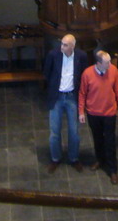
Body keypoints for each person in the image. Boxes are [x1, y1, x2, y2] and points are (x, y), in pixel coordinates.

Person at [78, 49, 118, 185]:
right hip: (94, 113)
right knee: (97, 138)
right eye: (107, 62)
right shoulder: (87, 74)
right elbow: (82, 94)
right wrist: (81, 112)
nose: (110, 64)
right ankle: (100, 159)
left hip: (109, 112)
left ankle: (112, 169)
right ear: (98, 63)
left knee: (110, 141)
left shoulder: (114, 71)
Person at [43, 33, 88, 172]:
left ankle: (74, 158)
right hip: (57, 97)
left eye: (65, 45)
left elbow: (84, 75)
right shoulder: (53, 55)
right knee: (54, 131)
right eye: (61, 43)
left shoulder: (81, 56)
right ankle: (55, 158)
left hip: (71, 97)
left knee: (74, 131)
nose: (61, 46)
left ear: (73, 46)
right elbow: (46, 73)